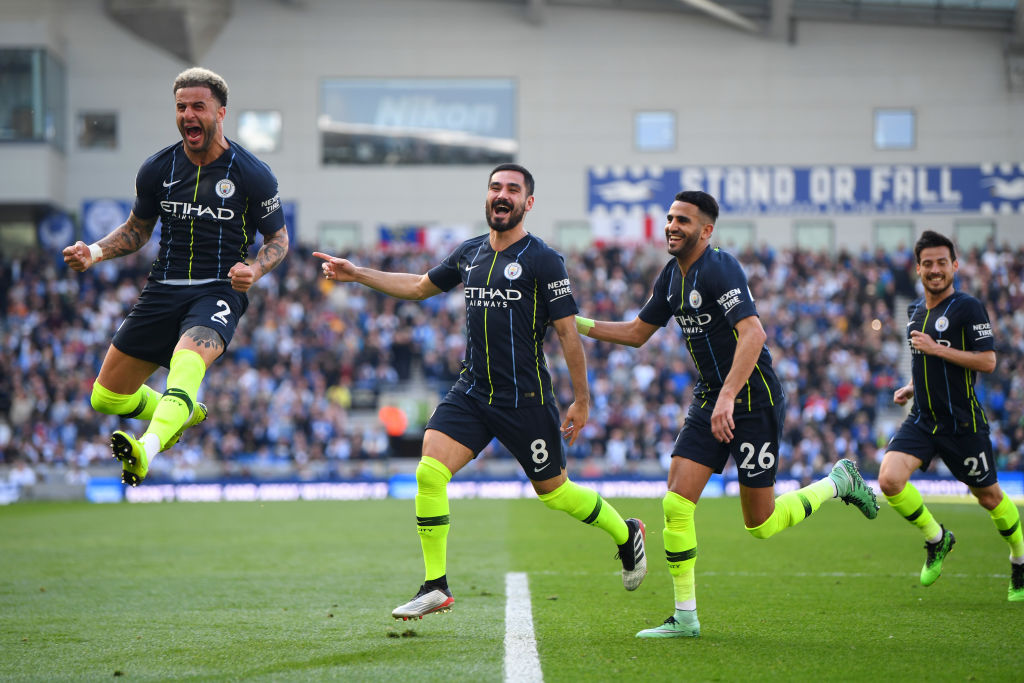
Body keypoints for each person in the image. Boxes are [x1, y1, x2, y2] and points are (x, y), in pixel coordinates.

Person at [314, 163, 647, 621]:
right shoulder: (469, 253)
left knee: (555, 493)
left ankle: (626, 533)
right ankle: (436, 585)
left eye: (513, 189)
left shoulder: (544, 260)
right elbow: (416, 287)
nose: (502, 195)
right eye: (495, 187)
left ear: (528, 203)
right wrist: (357, 274)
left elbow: (568, 334)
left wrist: (582, 399)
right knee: (430, 471)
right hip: (472, 392)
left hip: (524, 400)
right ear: (486, 197)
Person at [575, 190, 879, 638]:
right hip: (710, 399)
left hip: (752, 401)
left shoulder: (720, 267)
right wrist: (572, 322)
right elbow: (639, 332)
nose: (672, 226)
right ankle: (685, 617)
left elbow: (753, 334)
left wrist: (728, 397)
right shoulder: (671, 276)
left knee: (761, 523)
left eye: (683, 220)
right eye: (670, 218)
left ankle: (839, 482)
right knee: (675, 502)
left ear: (706, 229)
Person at [62, 67, 288, 486]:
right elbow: (136, 230)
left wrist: (254, 269)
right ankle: (184, 412)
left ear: (221, 113)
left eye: (197, 106)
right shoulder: (157, 169)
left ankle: (146, 450)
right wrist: (92, 252)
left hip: (217, 290)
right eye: (181, 107)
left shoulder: (252, 173)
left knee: (186, 364)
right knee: (105, 396)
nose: (188, 114)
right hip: (162, 288)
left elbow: (278, 238)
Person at [878, 230, 1023, 602]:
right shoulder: (913, 311)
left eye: (942, 262)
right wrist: (912, 385)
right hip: (924, 419)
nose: (935, 270)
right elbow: (924, 358)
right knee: (890, 480)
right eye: (928, 264)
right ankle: (937, 539)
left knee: (989, 497)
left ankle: (1020, 559)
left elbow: (988, 361)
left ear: (954, 265)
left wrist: (937, 351)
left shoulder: (968, 307)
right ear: (918, 269)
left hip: (962, 424)